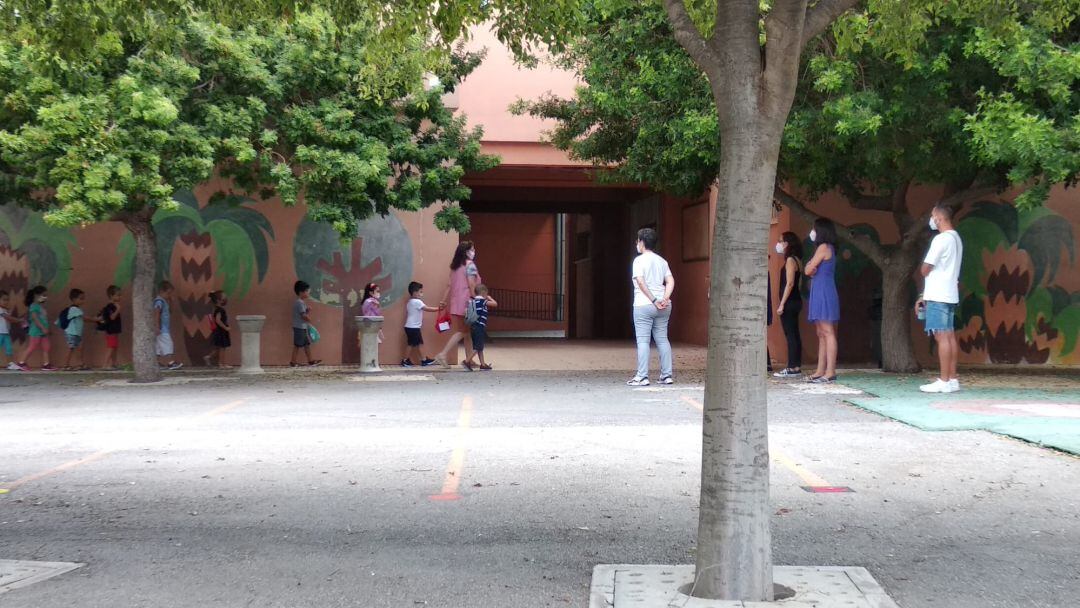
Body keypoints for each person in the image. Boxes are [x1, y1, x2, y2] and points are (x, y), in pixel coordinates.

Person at [916, 203, 964, 393]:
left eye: (932, 215)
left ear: (939, 217)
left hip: (938, 294)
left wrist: (924, 274)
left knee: (941, 336)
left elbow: (925, 268)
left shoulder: (941, 239)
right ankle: (952, 378)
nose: (931, 219)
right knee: (949, 336)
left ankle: (944, 380)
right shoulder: (956, 238)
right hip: (950, 293)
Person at [627, 227, 675, 387]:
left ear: (641, 242)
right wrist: (664, 298)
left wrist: (654, 300)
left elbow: (640, 282)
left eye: (637, 241)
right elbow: (670, 281)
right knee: (662, 339)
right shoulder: (662, 261)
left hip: (644, 304)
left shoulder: (638, 261)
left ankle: (642, 376)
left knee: (643, 341)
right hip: (664, 305)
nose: (637, 244)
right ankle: (666, 375)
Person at [435, 241, 481, 369]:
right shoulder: (470, 265)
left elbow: (449, 285)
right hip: (467, 302)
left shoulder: (455, 267)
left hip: (456, 302)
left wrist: (443, 300)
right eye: (472, 249)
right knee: (462, 331)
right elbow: (472, 284)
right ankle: (443, 354)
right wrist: (475, 298)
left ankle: (469, 359)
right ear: (466, 252)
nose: (474, 251)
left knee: (466, 333)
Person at [805, 219, 839, 383]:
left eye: (814, 228)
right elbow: (809, 269)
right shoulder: (826, 248)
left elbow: (808, 269)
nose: (812, 231)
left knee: (827, 331)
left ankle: (830, 371)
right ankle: (820, 370)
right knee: (821, 332)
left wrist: (811, 266)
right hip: (820, 289)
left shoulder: (823, 247)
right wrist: (811, 267)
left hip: (823, 290)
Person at [773, 231, 804, 378]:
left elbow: (790, 283)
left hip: (790, 302)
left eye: (781, 241)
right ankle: (796, 366)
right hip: (796, 300)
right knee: (795, 334)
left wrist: (782, 304)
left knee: (790, 334)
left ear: (787, 243)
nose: (778, 244)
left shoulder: (791, 261)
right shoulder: (798, 260)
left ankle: (792, 367)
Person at [16, 285, 55, 371]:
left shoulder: (41, 307)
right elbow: (35, 319)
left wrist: (48, 329)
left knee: (46, 346)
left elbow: (44, 319)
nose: (45, 297)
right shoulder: (33, 306)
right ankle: (21, 363)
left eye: (46, 295)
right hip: (36, 331)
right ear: (36, 295)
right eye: (44, 295)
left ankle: (46, 364)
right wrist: (43, 328)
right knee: (32, 346)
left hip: (43, 331)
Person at [402, 281, 440, 367]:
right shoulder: (417, 302)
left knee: (418, 344)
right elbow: (427, 308)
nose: (422, 293)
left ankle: (423, 360)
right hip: (413, 327)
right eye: (420, 291)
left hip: (411, 327)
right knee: (412, 344)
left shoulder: (410, 302)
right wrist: (438, 309)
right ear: (415, 292)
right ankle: (405, 360)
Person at [463, 284, 497, 371]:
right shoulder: (482, 301)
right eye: (486, 293)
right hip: (479, 327)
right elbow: (495, 304)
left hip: (473, 326)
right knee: (478, 346)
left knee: (479, 346)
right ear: (483, 292)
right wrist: (489, 298)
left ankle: (482, 364)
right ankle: (467, 361)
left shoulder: (473, 301)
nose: (487, 295)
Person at [59, 288, 95, 371]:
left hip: (77, 333)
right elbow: (85, 318)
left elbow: (83, 320)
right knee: (71, 348)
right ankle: (65, 365)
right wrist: (96, 319)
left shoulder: (77, 309)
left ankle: (80, 363)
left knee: (80, 348)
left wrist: (95, 320)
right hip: (71, 333)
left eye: (83, 298)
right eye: (81, 298)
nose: (83, 300)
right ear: (74, 299)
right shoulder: (74, 309)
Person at [290, 280, 321, 367]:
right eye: (307, 291)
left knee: (306, 344)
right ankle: (293, 362)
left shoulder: (301, 302)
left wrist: (307, 311)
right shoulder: (299, 303)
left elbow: (302, 314)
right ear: (301, 292)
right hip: (299, 327)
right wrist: (309, 320)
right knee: (297, 345)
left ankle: (310, 361)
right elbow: (303, 316)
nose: (308, 293)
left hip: (301, 327)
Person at [154, 281, 183, 370]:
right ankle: (170, 362)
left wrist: (171, 301)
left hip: (164, 328)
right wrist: (157, 326)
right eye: (168, 293)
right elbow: (156, 314)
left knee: (158, 346)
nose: (169, 295)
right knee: (168, 344)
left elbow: (170, 311)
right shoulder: (159, 301)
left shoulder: (164, 301)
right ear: (162, 291)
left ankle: (156, 363)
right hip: (162, 328)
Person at [204, 290, 231, 367]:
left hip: (219, 331)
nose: (225, 298)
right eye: (223, 297)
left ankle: (208, 357)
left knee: (219, 348)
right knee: (222, 348)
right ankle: (222, 363)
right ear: (219, 300)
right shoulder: (220, 310)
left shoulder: (217, 309)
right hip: (221, 331)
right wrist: (225, 327)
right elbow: (217, 320)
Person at [100, 285, 123, 370]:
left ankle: (114, 363)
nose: (120, 297)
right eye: (118, 295)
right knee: (111, 347)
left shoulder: (114, 305)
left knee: (114, 347)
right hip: (110, 331)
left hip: (115, 330)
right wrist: (118, 309)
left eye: (120, 295)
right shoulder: (110, 306)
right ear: (111, 296)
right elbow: (112, 317)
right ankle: (105, 365)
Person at [0, 290, 23, 370]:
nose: (6, 301)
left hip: (6, 333)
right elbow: (8, 318)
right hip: (0, 333)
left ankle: (10, 364)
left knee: (9, 349)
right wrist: (18, 320)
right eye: (4, 299)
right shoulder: (0, 309)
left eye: (7, 299)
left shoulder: (4, 309)